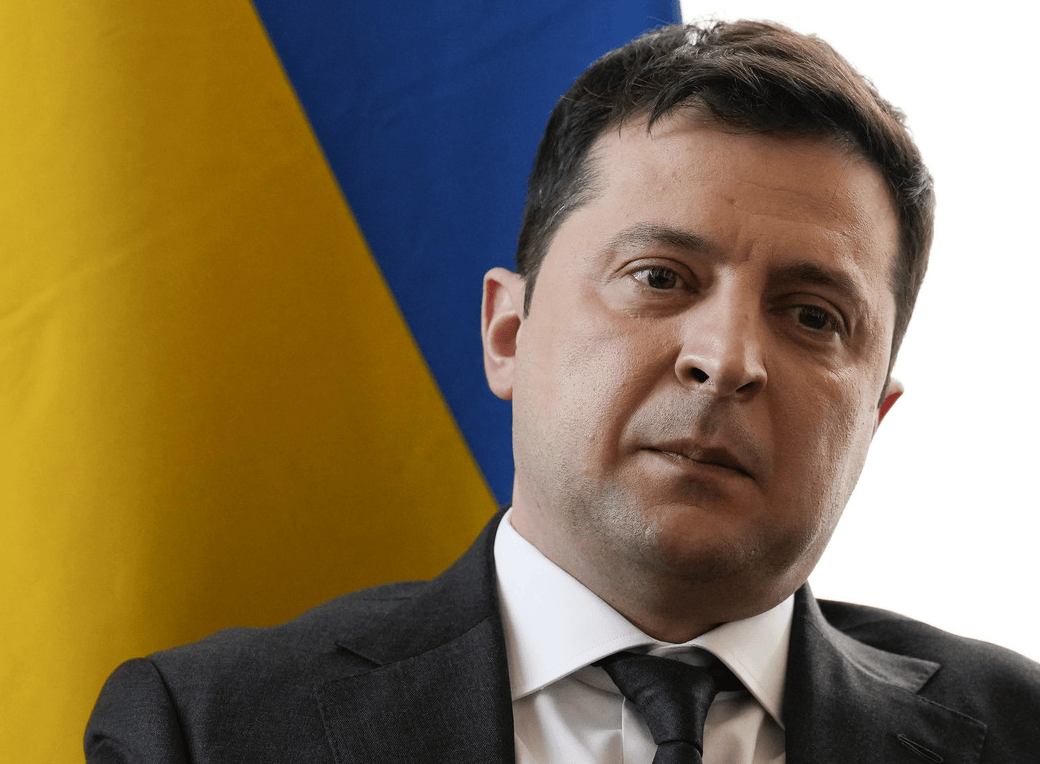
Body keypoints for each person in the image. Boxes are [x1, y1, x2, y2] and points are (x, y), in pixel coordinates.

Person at [85, 20, 1040, 763]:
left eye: (813, 316)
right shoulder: (206, 732)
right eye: (659, 277)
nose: (727, 359)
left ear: (873, 416)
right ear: (508, 334)